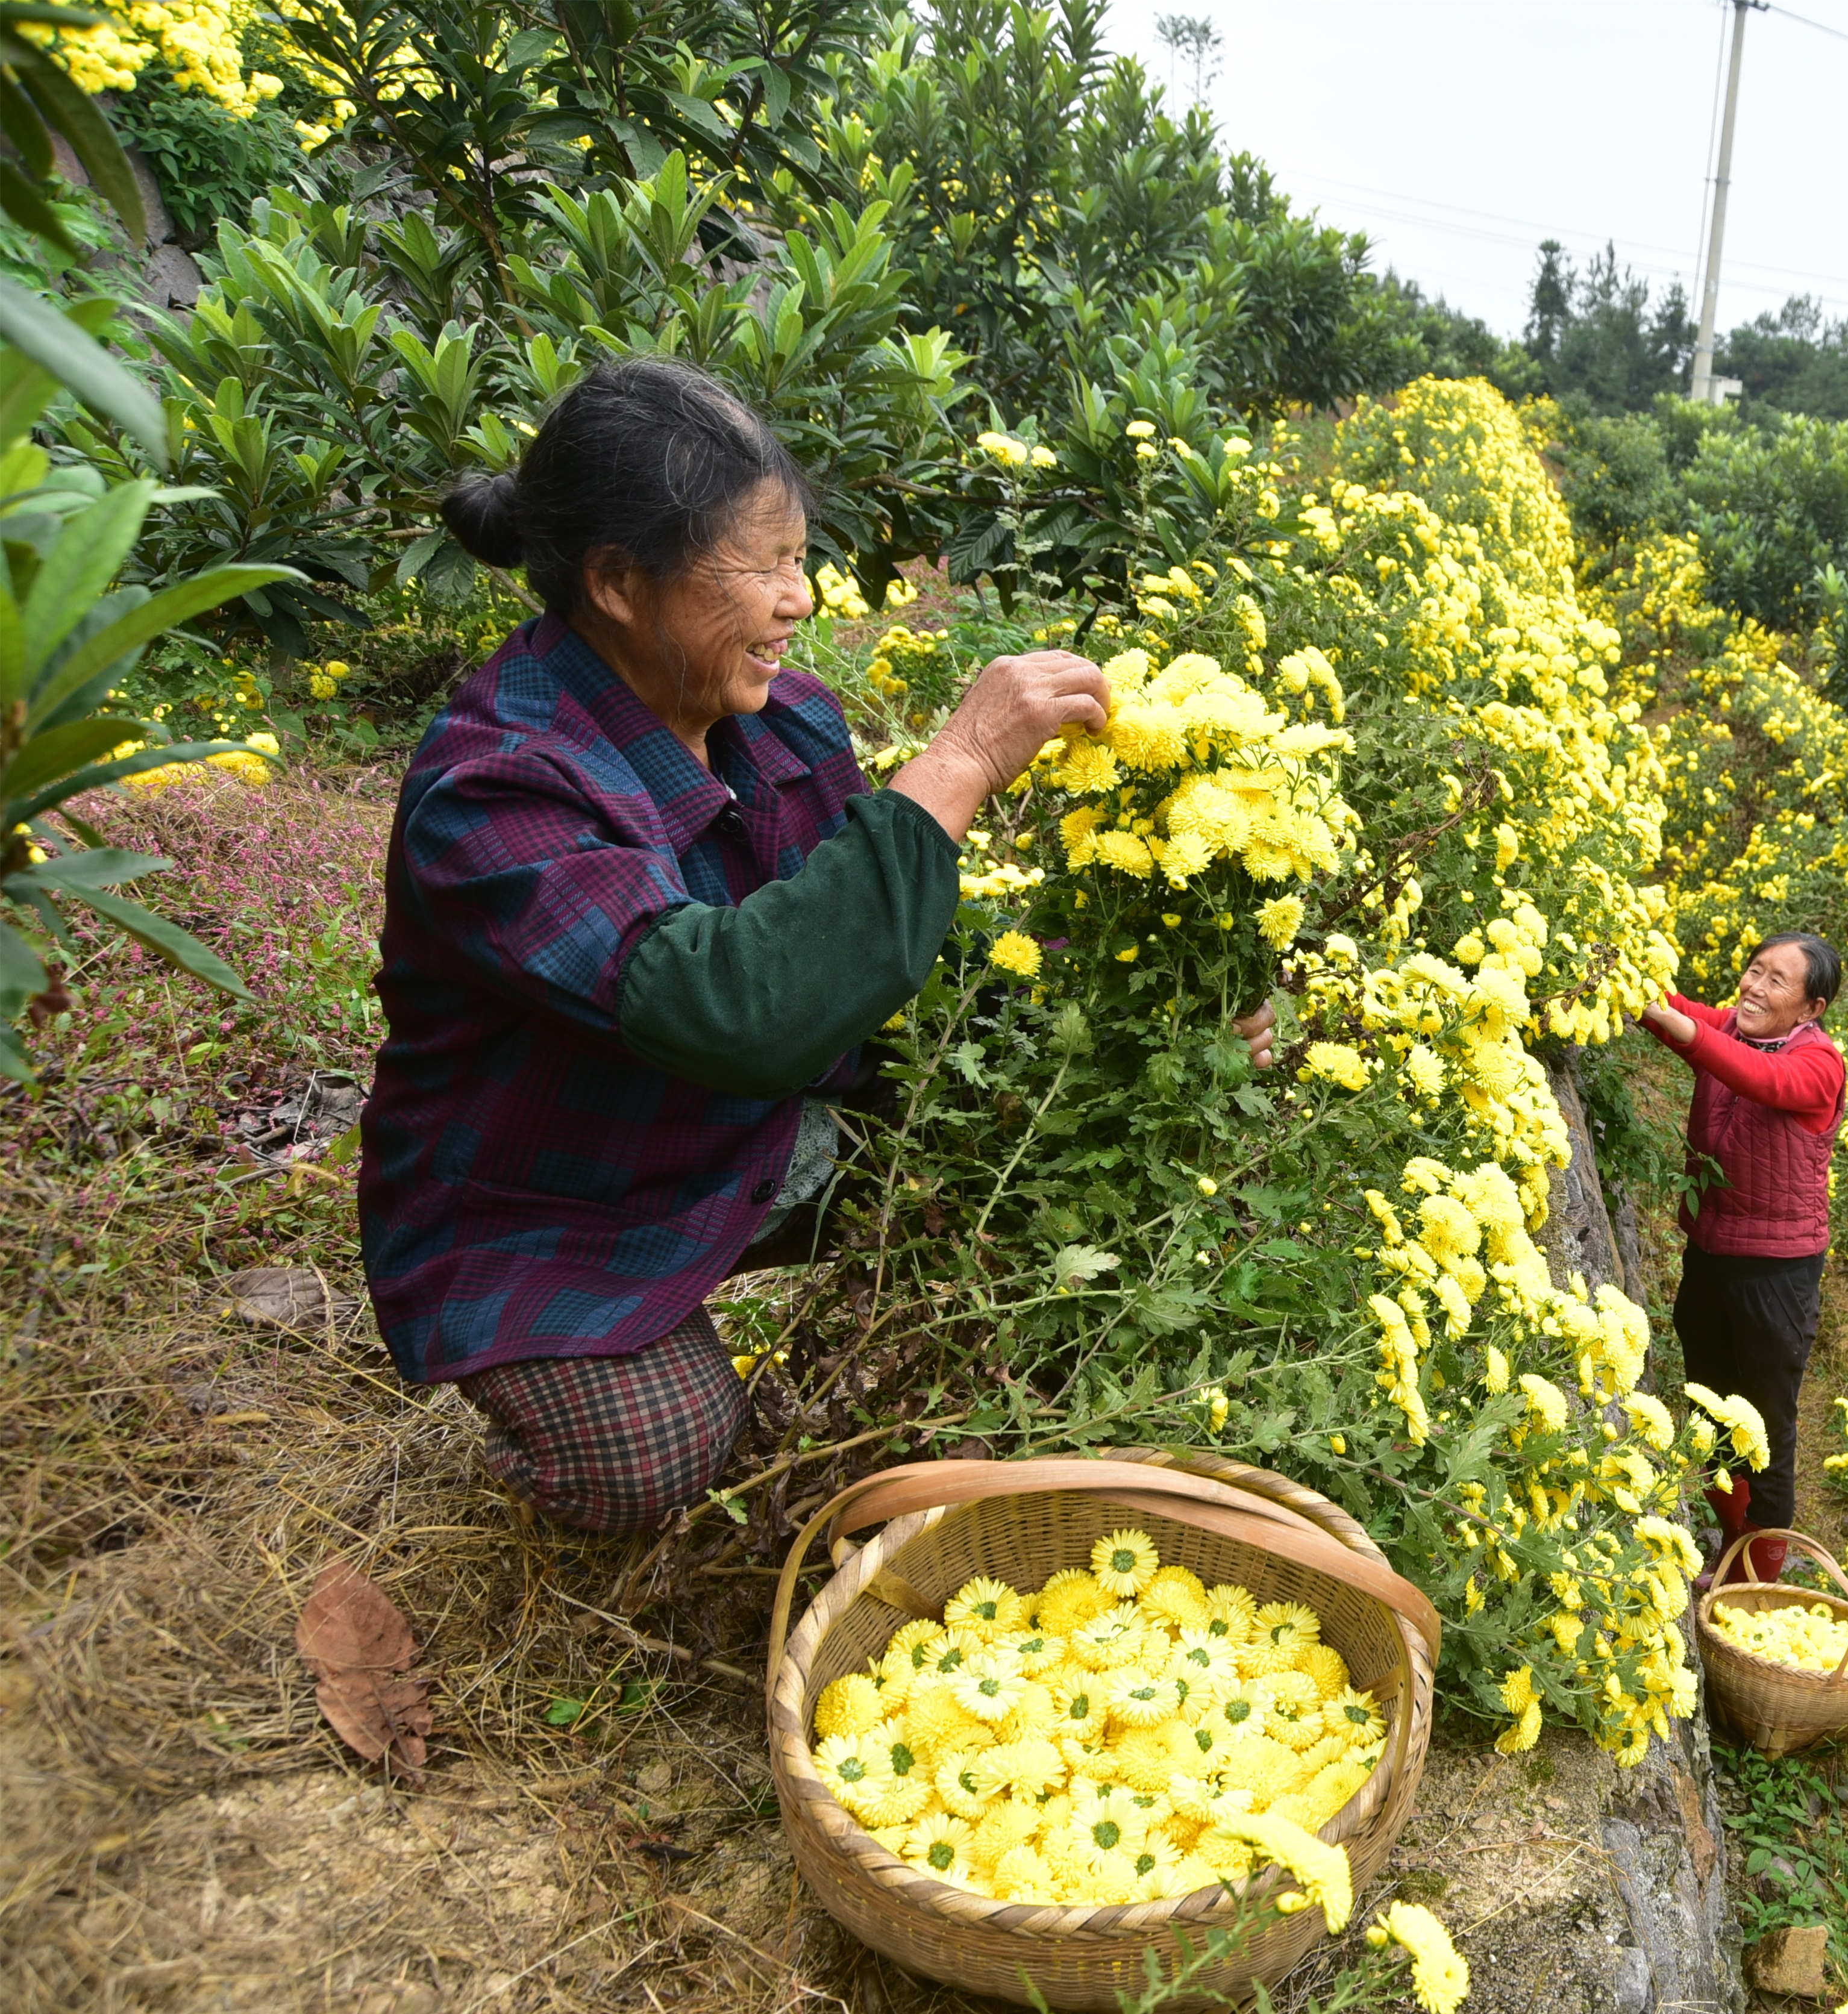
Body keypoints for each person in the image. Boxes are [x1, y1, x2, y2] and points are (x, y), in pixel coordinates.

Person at [359, 358, 1258, 1533]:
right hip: (556, 1197)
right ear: (622, 581)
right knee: (659, 1461)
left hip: (742, 1127)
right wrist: (961, 765)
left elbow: (871, 959)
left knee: (1056, 1138)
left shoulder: (781, 717)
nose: (801, 599)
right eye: (763, 564)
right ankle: (557, 1422)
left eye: (799, 557)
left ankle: (877, 1405)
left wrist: (1133, 1011)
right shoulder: (496, 786)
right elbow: (736, 1003)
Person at [1640, 933, 1848, 1581]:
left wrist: (1685, 1031)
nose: (1755, 987)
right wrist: (1626, 974)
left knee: (1764, 1429)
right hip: (1710, 1257)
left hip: (1776, 1275)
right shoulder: (1734, 1028)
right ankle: (1728, 1539)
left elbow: (1760, 1078)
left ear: (1811, 1008)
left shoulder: (1818, 1064)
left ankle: (1755, 1577)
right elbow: (1677, 1013)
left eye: (1777, 981)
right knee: (1710, 1406)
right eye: (1754, 971)